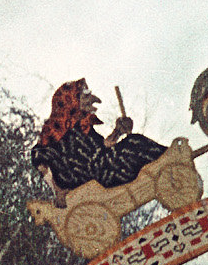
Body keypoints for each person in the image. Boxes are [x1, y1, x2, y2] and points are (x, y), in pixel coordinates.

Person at [32, 79, 169, 208]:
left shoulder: (83, 128)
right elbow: (40, 159)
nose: (90, 100)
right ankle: (167, 161)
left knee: (134, 141)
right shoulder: (55, 131)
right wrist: (58, 190)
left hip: (101, 169)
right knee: (135, 144)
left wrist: (118, 131)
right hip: (91, 180)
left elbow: (103, 148)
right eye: (83, 96)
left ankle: (167, 161)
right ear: (72, 100)